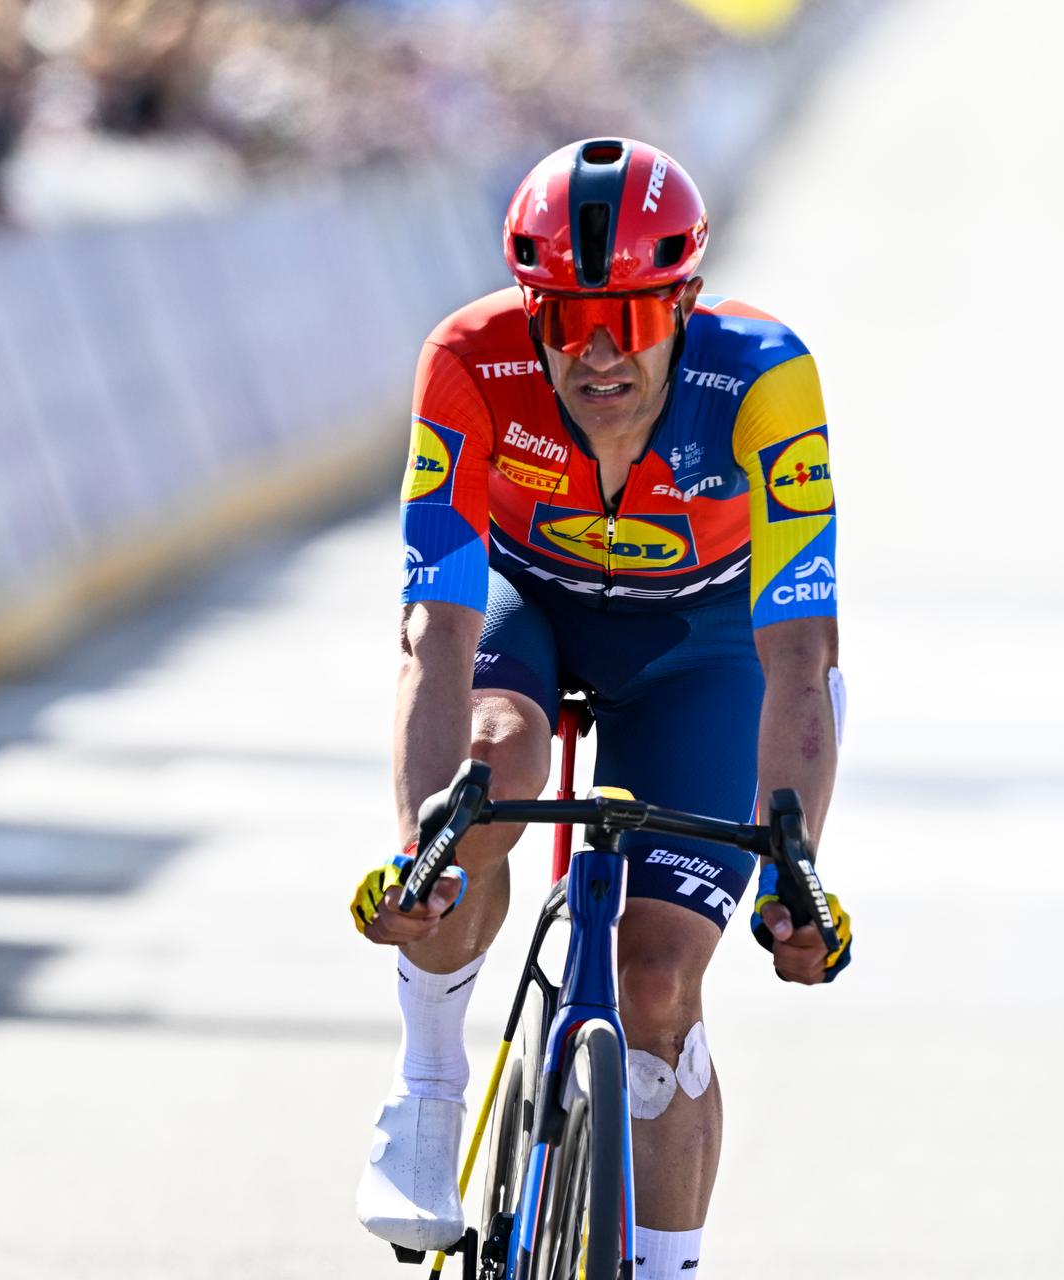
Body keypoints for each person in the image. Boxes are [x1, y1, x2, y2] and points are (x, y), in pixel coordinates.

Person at [351, 137, 852, 1278]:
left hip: (704, 639)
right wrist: (419, 851)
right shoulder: (471, 357)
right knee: (492, 754)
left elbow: (800, 651)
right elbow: (436, 630)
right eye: (567, 314)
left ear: (684, 298)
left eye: (630, 312)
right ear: (530, 305)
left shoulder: (766, 376)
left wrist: (796, 872)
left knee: (660, 985)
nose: (598, 348)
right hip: (528, 606)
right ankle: (428, 1082)